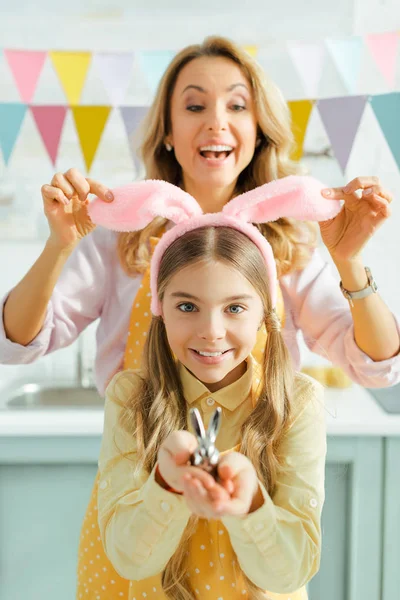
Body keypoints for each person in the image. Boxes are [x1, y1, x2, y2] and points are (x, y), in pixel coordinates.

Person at [0, 36, 398, 599]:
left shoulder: (292, 243)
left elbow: (378, 364)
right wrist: (58, 246)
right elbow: (16, 341)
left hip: (254, 535)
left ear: (259, 129)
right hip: (141, 508)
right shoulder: (120, 237)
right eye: (194, 105)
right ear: (166, 129)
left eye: (237, 105)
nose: (216, 122)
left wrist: (349, 261)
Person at [93, 176, 329, 599]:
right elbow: (129, 559)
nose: (211, 332)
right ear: (159, 309)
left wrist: (250, 506)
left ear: (263, 313)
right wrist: (165, 484)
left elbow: (290, 574)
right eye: (187, 306)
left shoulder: (297, 403)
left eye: (235, 308)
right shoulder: (130, 398)